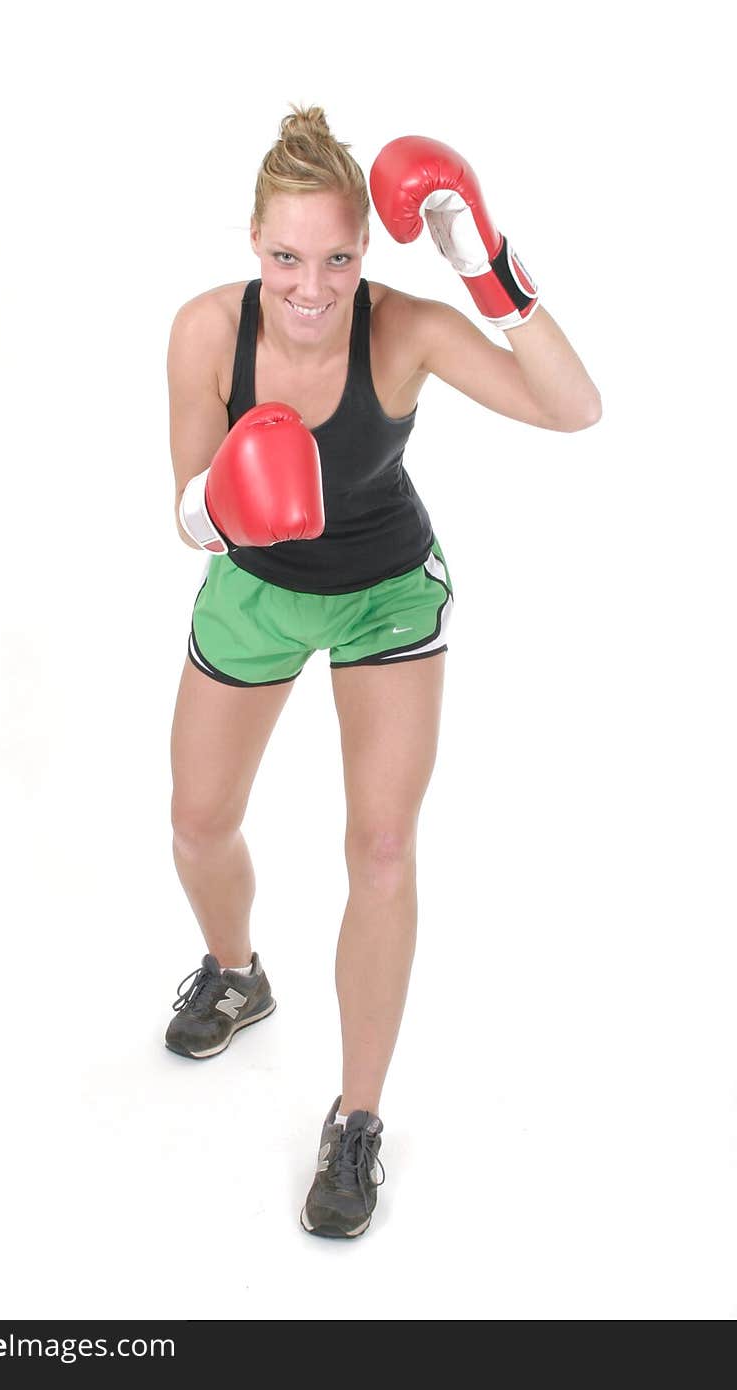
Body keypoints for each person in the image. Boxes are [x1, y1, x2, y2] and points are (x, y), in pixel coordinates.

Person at [165, 104, 601, 1239]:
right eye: (286, 257)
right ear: (253, 244)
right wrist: (223, 497)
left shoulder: (402, 329)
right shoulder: (207, 332)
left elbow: (573, 408)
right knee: (200, 824)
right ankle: (233, 971)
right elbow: (185, 515)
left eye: (340, 257)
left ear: (369, 247)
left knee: (384, 844)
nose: (312, 285)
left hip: (385, 591)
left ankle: (356, 1119)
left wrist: (486, 266)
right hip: (255, 587)